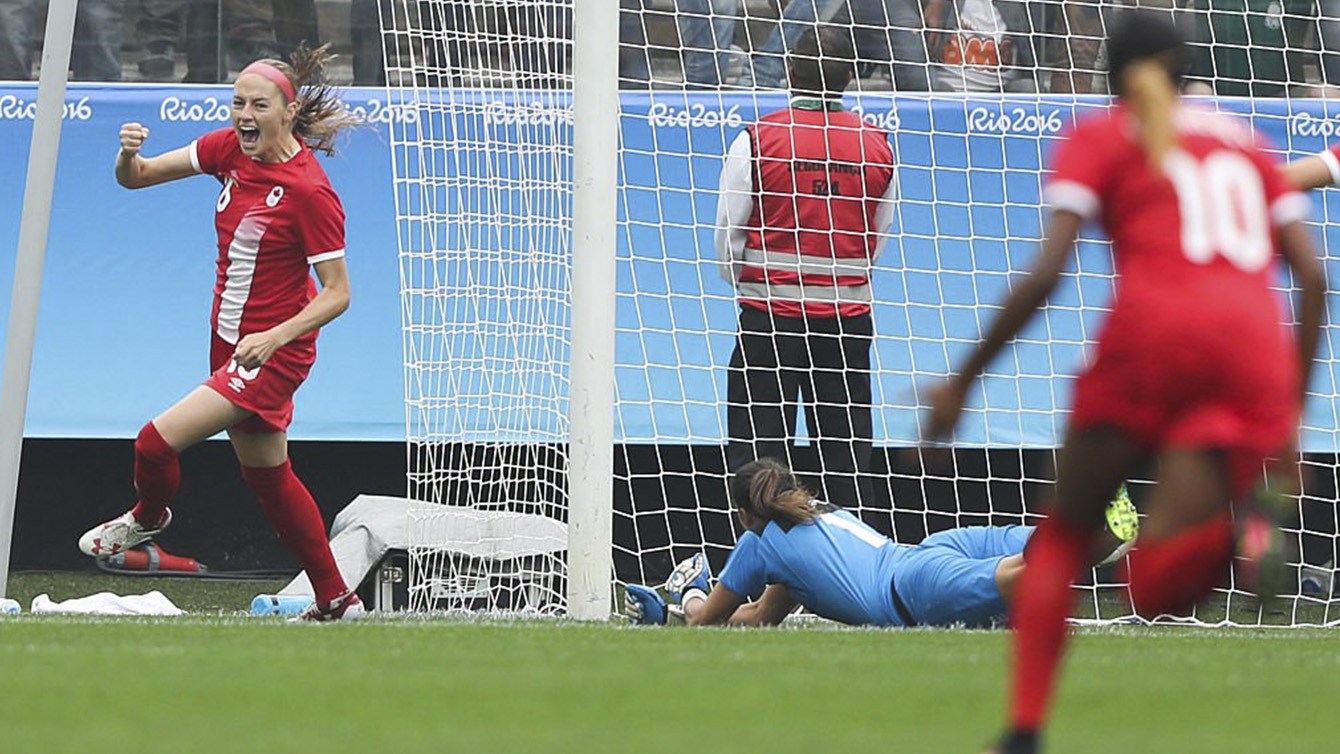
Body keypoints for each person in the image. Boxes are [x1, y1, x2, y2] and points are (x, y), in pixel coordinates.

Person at [922, 12, 1322, 754]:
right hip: (1251, 352)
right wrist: (1290, 416)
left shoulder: (1102, 135)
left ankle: (1023, 731)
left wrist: (963, 382)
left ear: (1111, 77)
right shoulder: (1245, 141)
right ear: (1185, 69)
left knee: (1065, 535)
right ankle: (1238, 535)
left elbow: (1047, 274)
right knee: (1162, 576)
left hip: (1151, 340)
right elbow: (1313, 274)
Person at [77, 45, 365, 622]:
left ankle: (149, 518)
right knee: (268, 476)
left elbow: (338, 293)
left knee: (154, 442)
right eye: (237, 103)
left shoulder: (309, 190)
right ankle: (338, 598)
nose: (243, 114)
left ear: (288, 112)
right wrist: (125, 154)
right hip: (232, 342)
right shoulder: (228, 149)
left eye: (257, 104)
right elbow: (138, 179)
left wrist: (276, 337)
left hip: (270, 353)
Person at [624, 458, 1138, 627]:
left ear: (742, 512)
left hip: (911, 589)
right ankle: (1097, 522)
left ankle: (1095, 527)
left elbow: (707, 620)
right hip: (926, 552)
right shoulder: (815, 514)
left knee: (1019, 573)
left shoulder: (759, 545)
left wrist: (686, 597)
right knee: (1020, 545)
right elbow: (758, 617)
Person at [718, 26, 895, 511]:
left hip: (769, 318)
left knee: (759, 453)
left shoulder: (757, 139)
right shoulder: (877, 145)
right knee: (846, 452)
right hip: (847, 322)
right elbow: (874, 238)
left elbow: (729, 235)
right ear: (848, 80)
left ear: (792, 74)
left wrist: (758, 281)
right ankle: (856, 570)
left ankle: (761, 568)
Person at [738, 0, 932, 91]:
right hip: (829, 8)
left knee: (919, 83)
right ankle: (760, 77)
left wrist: (938, 5)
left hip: (888, 6)